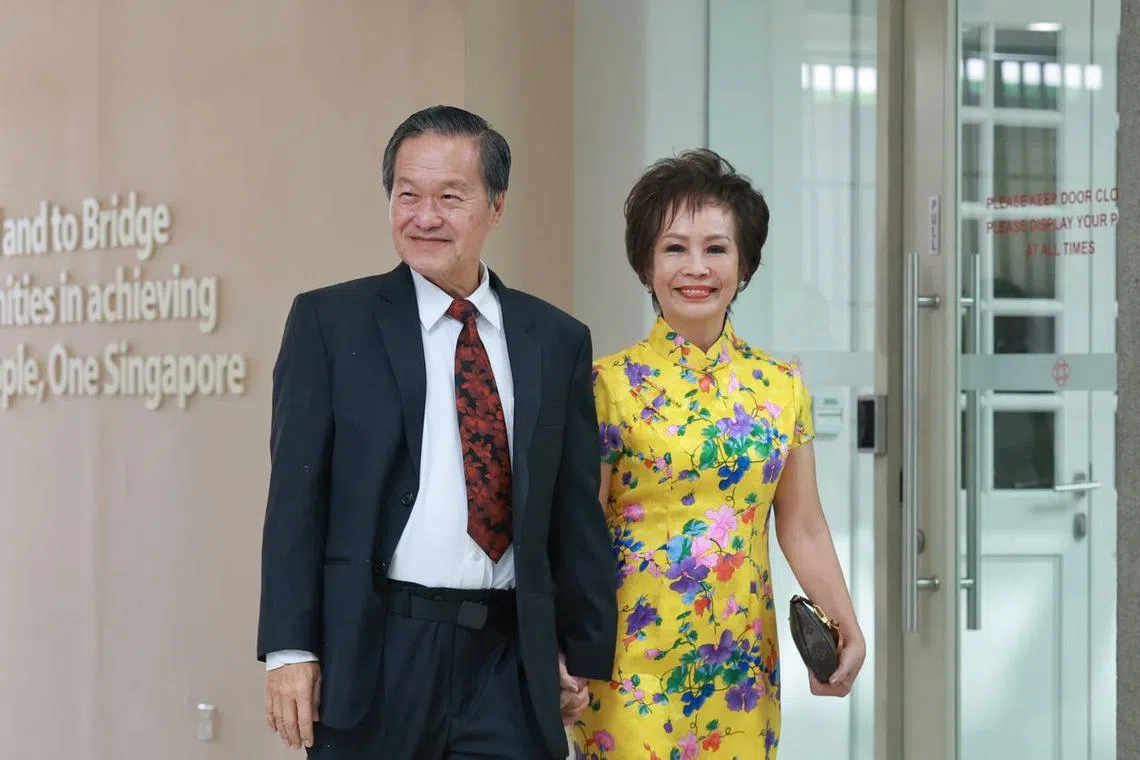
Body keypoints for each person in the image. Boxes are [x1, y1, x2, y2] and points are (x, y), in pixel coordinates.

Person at [256, 105, 617, 759]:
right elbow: (294, 502)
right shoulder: (329, 325)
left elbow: (573, 507)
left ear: (496, 205)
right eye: (407, 195)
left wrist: (579, 644)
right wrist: (290, 648)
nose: (425, 217)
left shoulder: (555, 340)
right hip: (379, 650)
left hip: (508, 659)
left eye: (450, 198)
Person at [572, 149, 865, 759]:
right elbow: (579, 540)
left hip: (740, 669)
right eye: (674, 248)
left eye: (717, 248)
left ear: (744, 263)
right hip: (629, 666)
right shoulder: (607, 385)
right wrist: (561, 649)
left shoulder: (781, 386)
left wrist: (846, 625)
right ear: (646, 264)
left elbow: (803, 526)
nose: (696, 268)